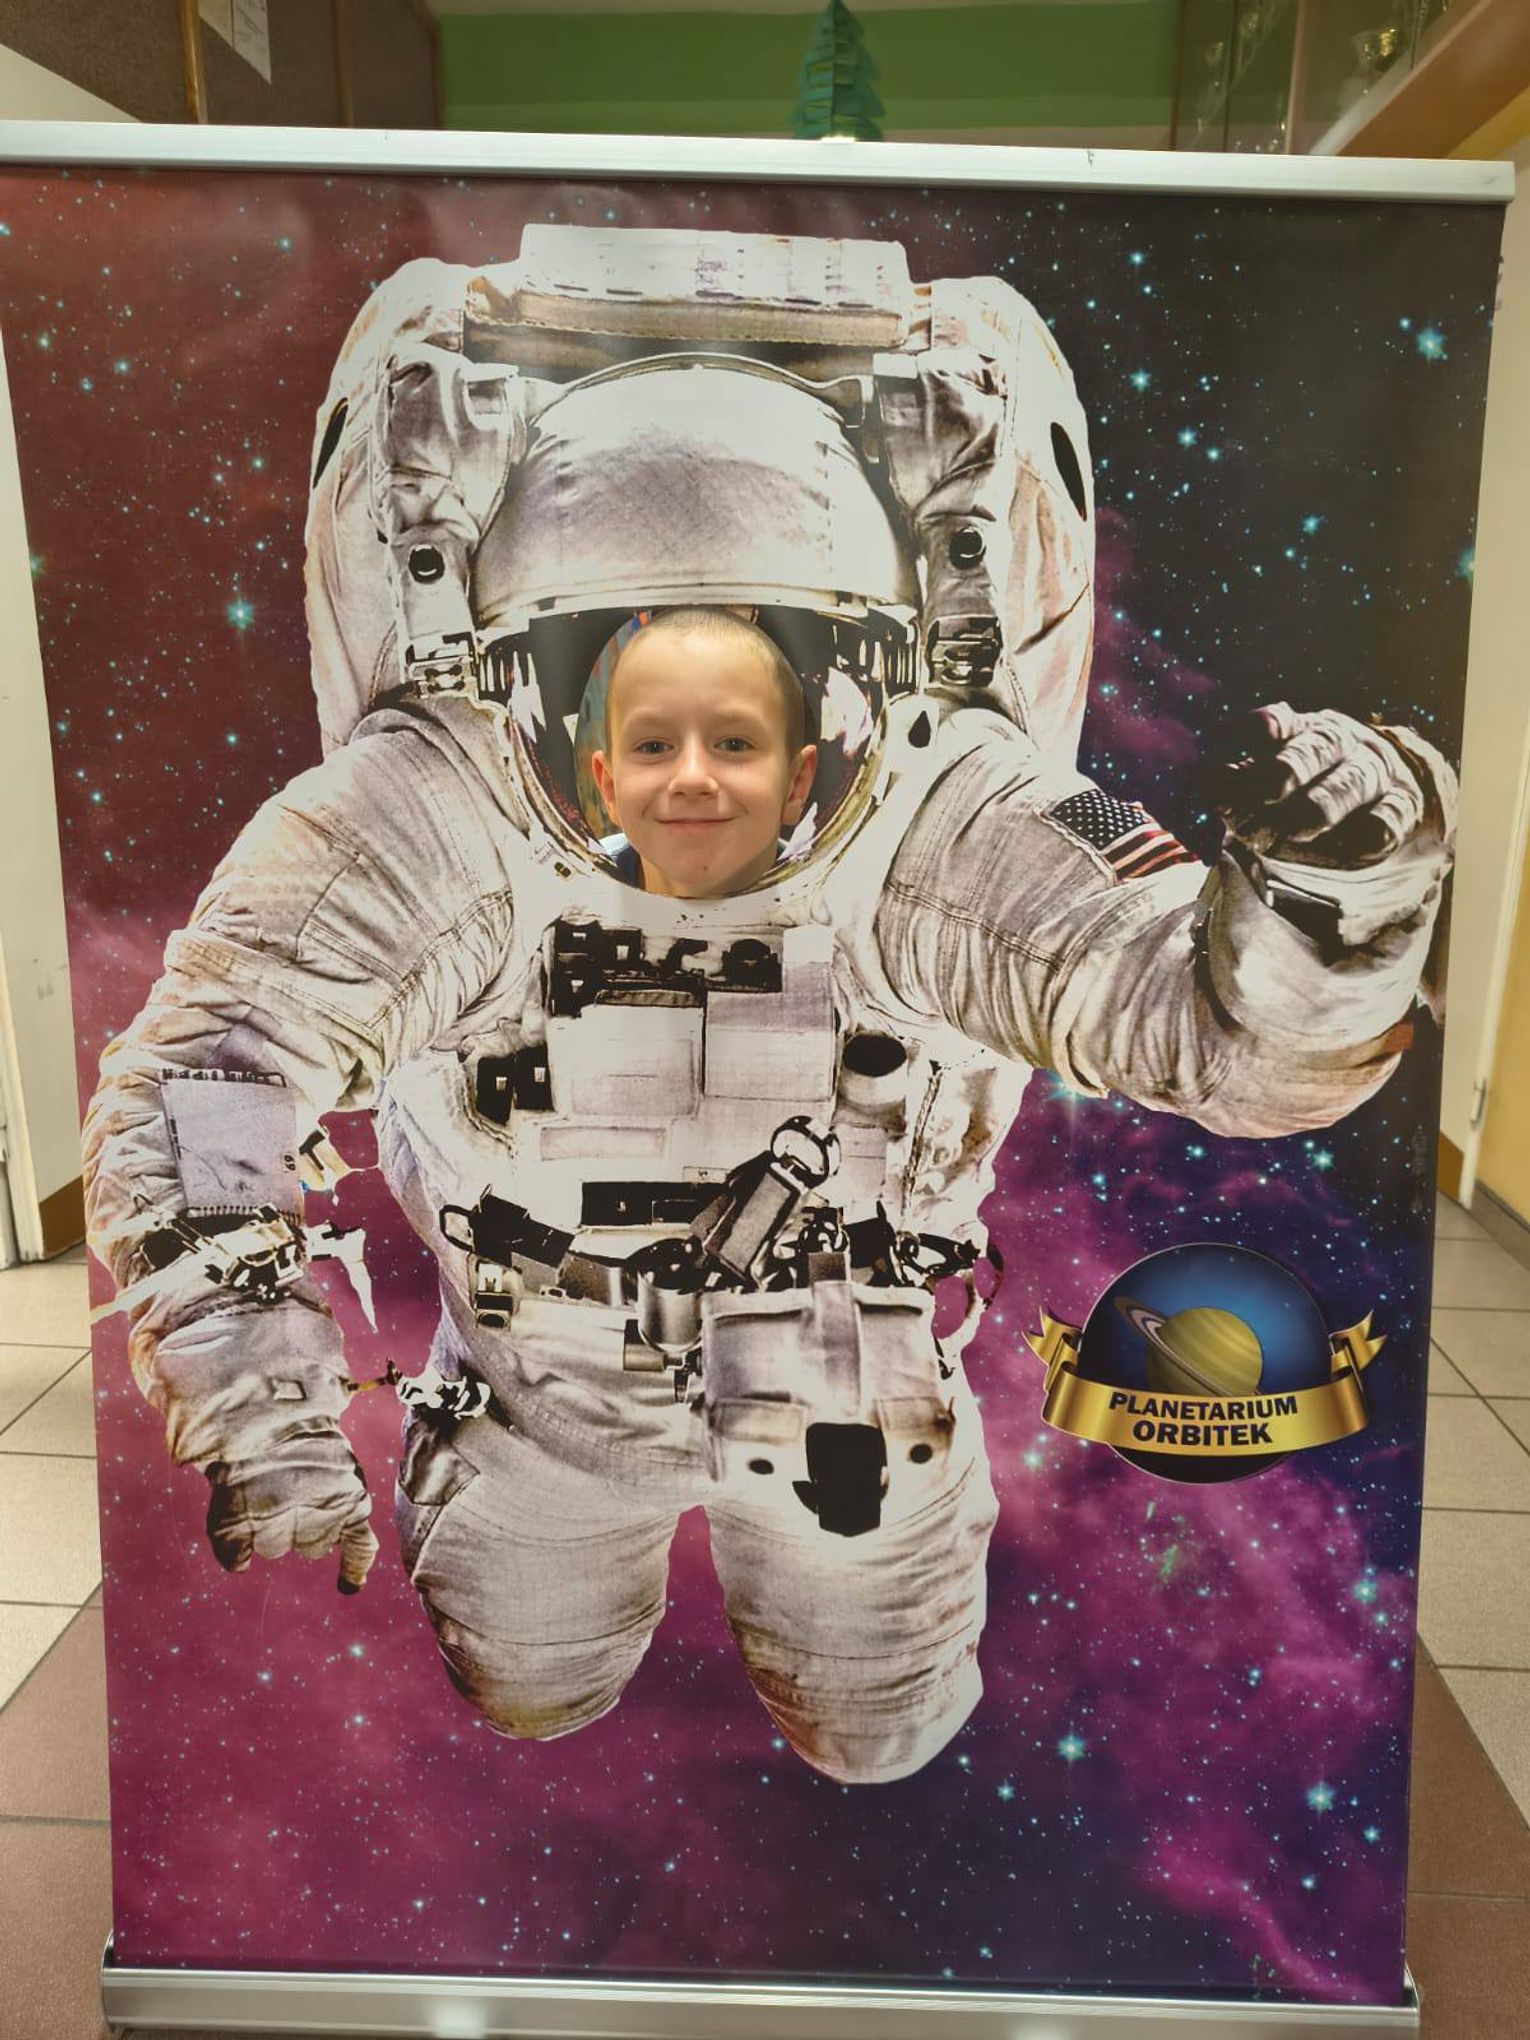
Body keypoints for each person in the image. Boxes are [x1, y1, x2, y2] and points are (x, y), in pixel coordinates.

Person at [83, 228, 1457, 1785]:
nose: (691, 783)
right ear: (544, 705)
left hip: (845, 1396)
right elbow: (201, 1084)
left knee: (879, 1728)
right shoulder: (426, 811)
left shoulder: (949, 811)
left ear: (835, 711)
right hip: (539, 1394)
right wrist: (256, 1404)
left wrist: (1337, 894)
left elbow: (1228, 1042)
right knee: (526, 1680)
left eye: (742, 724)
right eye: (635, 718)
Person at [590, 608, 818, 899]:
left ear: (795, 785)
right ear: (610, 788)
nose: (692, 778)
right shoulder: (558, 892)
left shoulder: (848, 910)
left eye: (734, 744)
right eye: (653, 747)